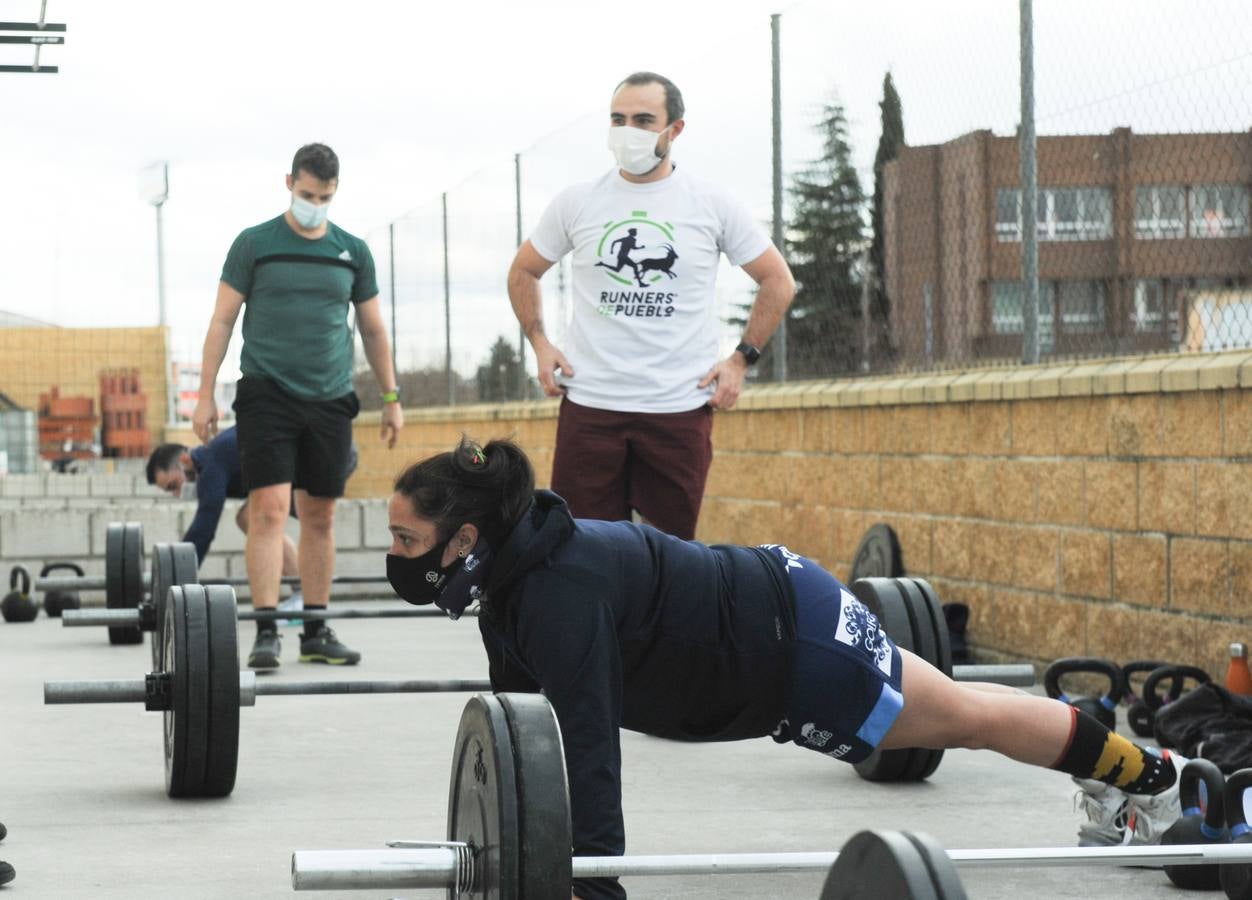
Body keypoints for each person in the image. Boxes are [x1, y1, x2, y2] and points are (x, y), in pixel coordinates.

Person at [385, 438, 1184, 900]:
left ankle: (1155, 782)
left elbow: (586, 744)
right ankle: (1139, 775)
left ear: (464, 540)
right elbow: (529, 741)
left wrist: (594, 885)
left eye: (406, 541)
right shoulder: (510, 586)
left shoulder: (555, 595)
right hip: (780, 604)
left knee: (967, 719)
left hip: (794, 652)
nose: (397, 556)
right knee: (962, 703)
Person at [506, 71, 796, 541]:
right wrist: (539, 342)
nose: (628, 132)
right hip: (591, 407)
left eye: (643, 120)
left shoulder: (711, 203)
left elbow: (778, 280)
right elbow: (523, 270)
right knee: (581, 551)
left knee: (670, 557)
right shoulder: (577, 202)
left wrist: (742, 360)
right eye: (617, 119)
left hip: (678, 409)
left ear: (674, 129)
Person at [193, 142, 403, 670]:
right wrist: (204, 395)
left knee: (320, 514)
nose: (315, 204)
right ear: (289, 184)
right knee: (267, 509)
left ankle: (315, 628)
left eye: (325, 197)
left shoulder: (352, 252)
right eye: (307, 194)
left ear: (336, 192)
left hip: (330, 399)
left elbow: (373, 329)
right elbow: (222, 320)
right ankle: (266, 629)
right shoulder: (255, 244)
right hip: (267, 394)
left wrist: (392, 398)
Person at [145, 430, 360, 604]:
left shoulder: (211, 464)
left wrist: (176, 578)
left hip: (325, 452)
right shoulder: (217, 455)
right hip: (326, 451)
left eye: (173, 485)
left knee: (254, 517)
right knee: (249, 517)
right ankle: (302, 590)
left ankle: (304, 593)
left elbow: (203, 530)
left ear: (184, 460)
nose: (177, 494)